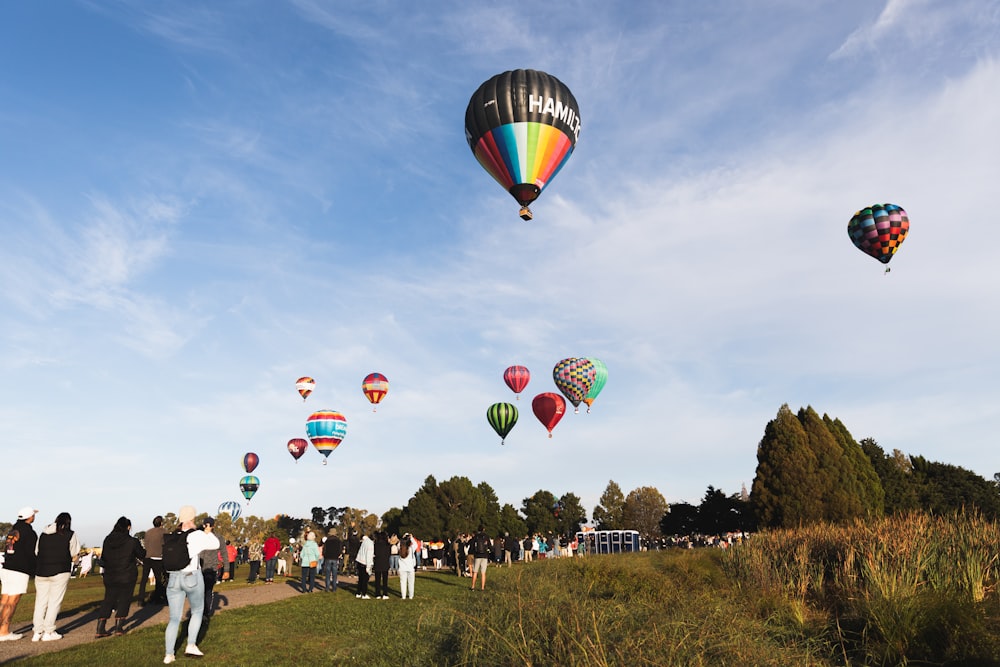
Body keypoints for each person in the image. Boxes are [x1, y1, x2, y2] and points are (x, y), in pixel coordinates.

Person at [163, 505, 219, 664]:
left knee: (174, 618)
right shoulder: (196, 535)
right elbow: (215, 544)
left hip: (173, 578)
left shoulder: (172, 536)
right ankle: (191, 644)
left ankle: (169, 654)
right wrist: (208, 532)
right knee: (197, 611)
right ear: (192, 519)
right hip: (191, 576)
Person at [31, 511, 80, 641]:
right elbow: (74, 552)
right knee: (54, 602)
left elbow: (37, 551)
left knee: (40, 602)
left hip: (41, 571)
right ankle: (49, 631)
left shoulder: (43, 534)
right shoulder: (70, 534)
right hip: (60, 570)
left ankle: (37, 631)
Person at [95, 516, 145, 638]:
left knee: (108, 600)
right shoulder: (132, 541)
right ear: (128, 527)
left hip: (110, 574)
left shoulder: (107, 540)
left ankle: (100, 627)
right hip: (126, 574)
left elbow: (104, 557)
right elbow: (142, 554)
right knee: (124, 599)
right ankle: (119, 626)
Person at [0, 506, 39, 641]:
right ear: (30, 517)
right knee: (13, 601)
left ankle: (1, 629)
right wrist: (35, 569)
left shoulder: (12, 530)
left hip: (7, 567)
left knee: (4, 599)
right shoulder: (29, 533)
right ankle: (4, 631)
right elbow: (31, 553)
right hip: (19, 569)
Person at [200, 517, 225, 618]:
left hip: (211, 568)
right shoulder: (199, 537)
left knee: (208, 590)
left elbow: (224, 553)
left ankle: (205, 612)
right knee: (201, 591)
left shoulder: (218, 537)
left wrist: (226, 569)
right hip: (200, 567)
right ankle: (201, 611)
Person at [139, 516, 166, 606]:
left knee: (144, 579)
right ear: (161, 523)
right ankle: (158, 598)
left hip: (147, 557)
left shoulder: (148, 532)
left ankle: (141, 599)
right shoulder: (163, 532)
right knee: (158, 579)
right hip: (157, 557)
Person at [470, 526, 491, 591]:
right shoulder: (486, 537)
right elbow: (489, 546)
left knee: (475, 572)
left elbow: (472, 546)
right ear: (483, 529)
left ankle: (473, 586)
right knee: (483, 573)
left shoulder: (476, 537)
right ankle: (482, 588)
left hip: (477, 556)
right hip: (484, 556)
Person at [354, 532, 374, 599]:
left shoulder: (365, 541)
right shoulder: (370, 544)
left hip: (360, 561)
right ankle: (364, 594)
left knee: (360, 579)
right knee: (365, 580)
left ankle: (358, 593)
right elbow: (368, 556)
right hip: (365, 563)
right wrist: (368, 567)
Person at [397, 533, 416, 600]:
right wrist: (411, 537)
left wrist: (403, 537)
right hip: (410, 568)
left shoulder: (400, 548)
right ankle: (411, 596)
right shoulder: (411, 549)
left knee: (403, 582)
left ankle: (403, 596)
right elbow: (415, 545)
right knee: (411, 583)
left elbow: (398, 544)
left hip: (402, 568)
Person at [372, 531, 390, 599]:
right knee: (385, 580)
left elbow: (375, 553)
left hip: (378, 563)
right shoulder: (387, 545)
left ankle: (377, 593)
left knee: (377, 580)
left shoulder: (376, 544)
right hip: (385, 563)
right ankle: (385, 593)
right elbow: (389, 554)